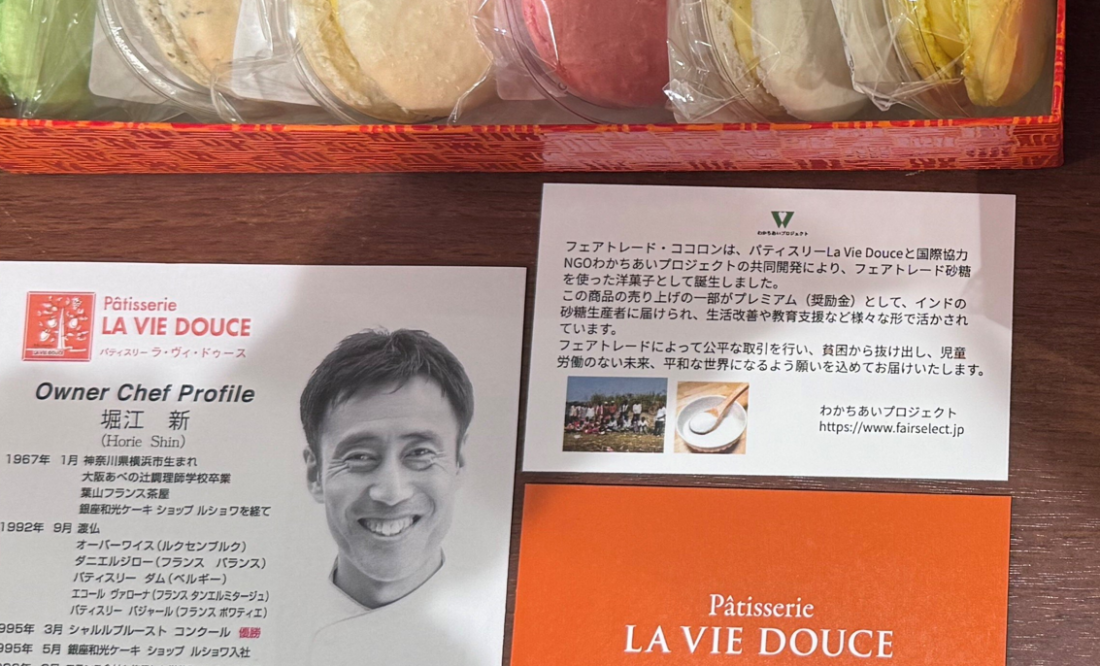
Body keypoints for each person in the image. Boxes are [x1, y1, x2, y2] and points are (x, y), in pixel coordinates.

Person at [299, 328, 476, 664]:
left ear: (459, 463)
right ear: (315, 475)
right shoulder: (268, 620)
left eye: (420, 453)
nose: (392, 493)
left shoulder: (505, 623)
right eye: (359, 456)